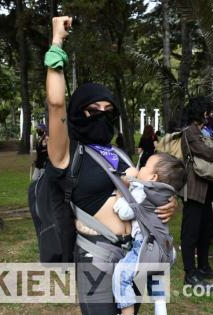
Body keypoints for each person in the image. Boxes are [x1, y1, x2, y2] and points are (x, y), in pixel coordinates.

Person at [45, 16, 177, 314]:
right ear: (79, 112)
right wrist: (57, 43)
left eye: (108, 110)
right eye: (93, 110)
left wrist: (168, 204)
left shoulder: (120, 154)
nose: (101, 116)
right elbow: (55, 104)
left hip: (135, 254)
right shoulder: (66, 153)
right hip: (96, 257)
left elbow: (148, 187)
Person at [112, 153, 186, 315]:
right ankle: (161, 311)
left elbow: (125, 212)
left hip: (146, 249)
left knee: (121, 275)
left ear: (153, 177)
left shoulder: (143, 192)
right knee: (156, 277)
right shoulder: (165, 195)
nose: (141, 167)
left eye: (144, 165)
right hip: (165, 250)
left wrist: (120, 192)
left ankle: (126, 312)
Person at [180, 96, 213, 287]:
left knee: (206, 229)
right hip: (193, 189)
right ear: (200, 112)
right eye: (207, 112)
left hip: (206, 187)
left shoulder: (202, 131)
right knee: (190, 232)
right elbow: (207, 153)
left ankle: (204, 267)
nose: (209, 115)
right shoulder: (189, 131)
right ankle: (190, 273)